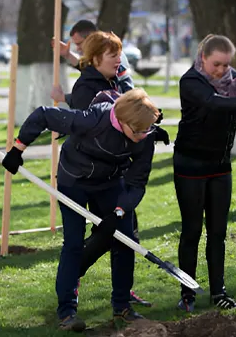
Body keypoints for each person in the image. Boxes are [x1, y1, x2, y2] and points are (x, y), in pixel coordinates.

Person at [2, 88, 159, 332]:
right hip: (74, 180)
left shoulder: (145, 135)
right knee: (74, 244)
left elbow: (137, 183)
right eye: (138, 131)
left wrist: (118, 212)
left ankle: (122, 306)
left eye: (146, 130)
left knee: (125, 240)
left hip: (109, 182)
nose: (143, 135)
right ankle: (67, 311)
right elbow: (43, 115)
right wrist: (17, 149)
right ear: (123, 121)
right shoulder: (93, 119)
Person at [51, 30, 166, 307]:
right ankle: (69, 290)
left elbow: (134, 110)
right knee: (84, 242)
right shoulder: (84, 89)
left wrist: (148, 125)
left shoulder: (118, 80)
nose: (119, 59)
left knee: (122, 237)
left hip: (114, 176)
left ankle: (122, 301)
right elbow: (97, 128)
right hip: (82, 175)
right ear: (96, 58)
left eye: (119, 53)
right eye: (113, 54)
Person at [174, 34, 236, 312]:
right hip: (190, 165)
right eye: (216, 64)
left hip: (220, 165)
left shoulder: (233, 79)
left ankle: (219, 293)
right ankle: (187, 293)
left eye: (227, 65)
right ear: (203, 57)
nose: (222, 71)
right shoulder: (190, 81)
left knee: (218, 232)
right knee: (192, 231)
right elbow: (213, 102)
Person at [51, 19, 134, 100]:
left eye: (79, 43)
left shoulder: (114, 59)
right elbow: (87, 68)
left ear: (91, 38)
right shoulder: (102, 57)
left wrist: (63, 97)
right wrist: (68, 55)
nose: (78, 48)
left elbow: (93, 95)